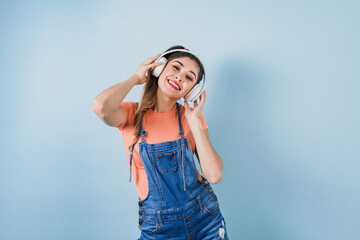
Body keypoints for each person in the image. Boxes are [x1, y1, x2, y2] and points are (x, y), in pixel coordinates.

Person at [92, 45, 229, 239]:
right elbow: (101, 106)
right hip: (159, 228)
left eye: (189, 77)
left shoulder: (192, 119)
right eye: (176, 67)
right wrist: (135, 78)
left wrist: (195, 123)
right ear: (159, 68)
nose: (180, 76)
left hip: (206, 220)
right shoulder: (131, 115)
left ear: (192, 90)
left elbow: (214, 175)